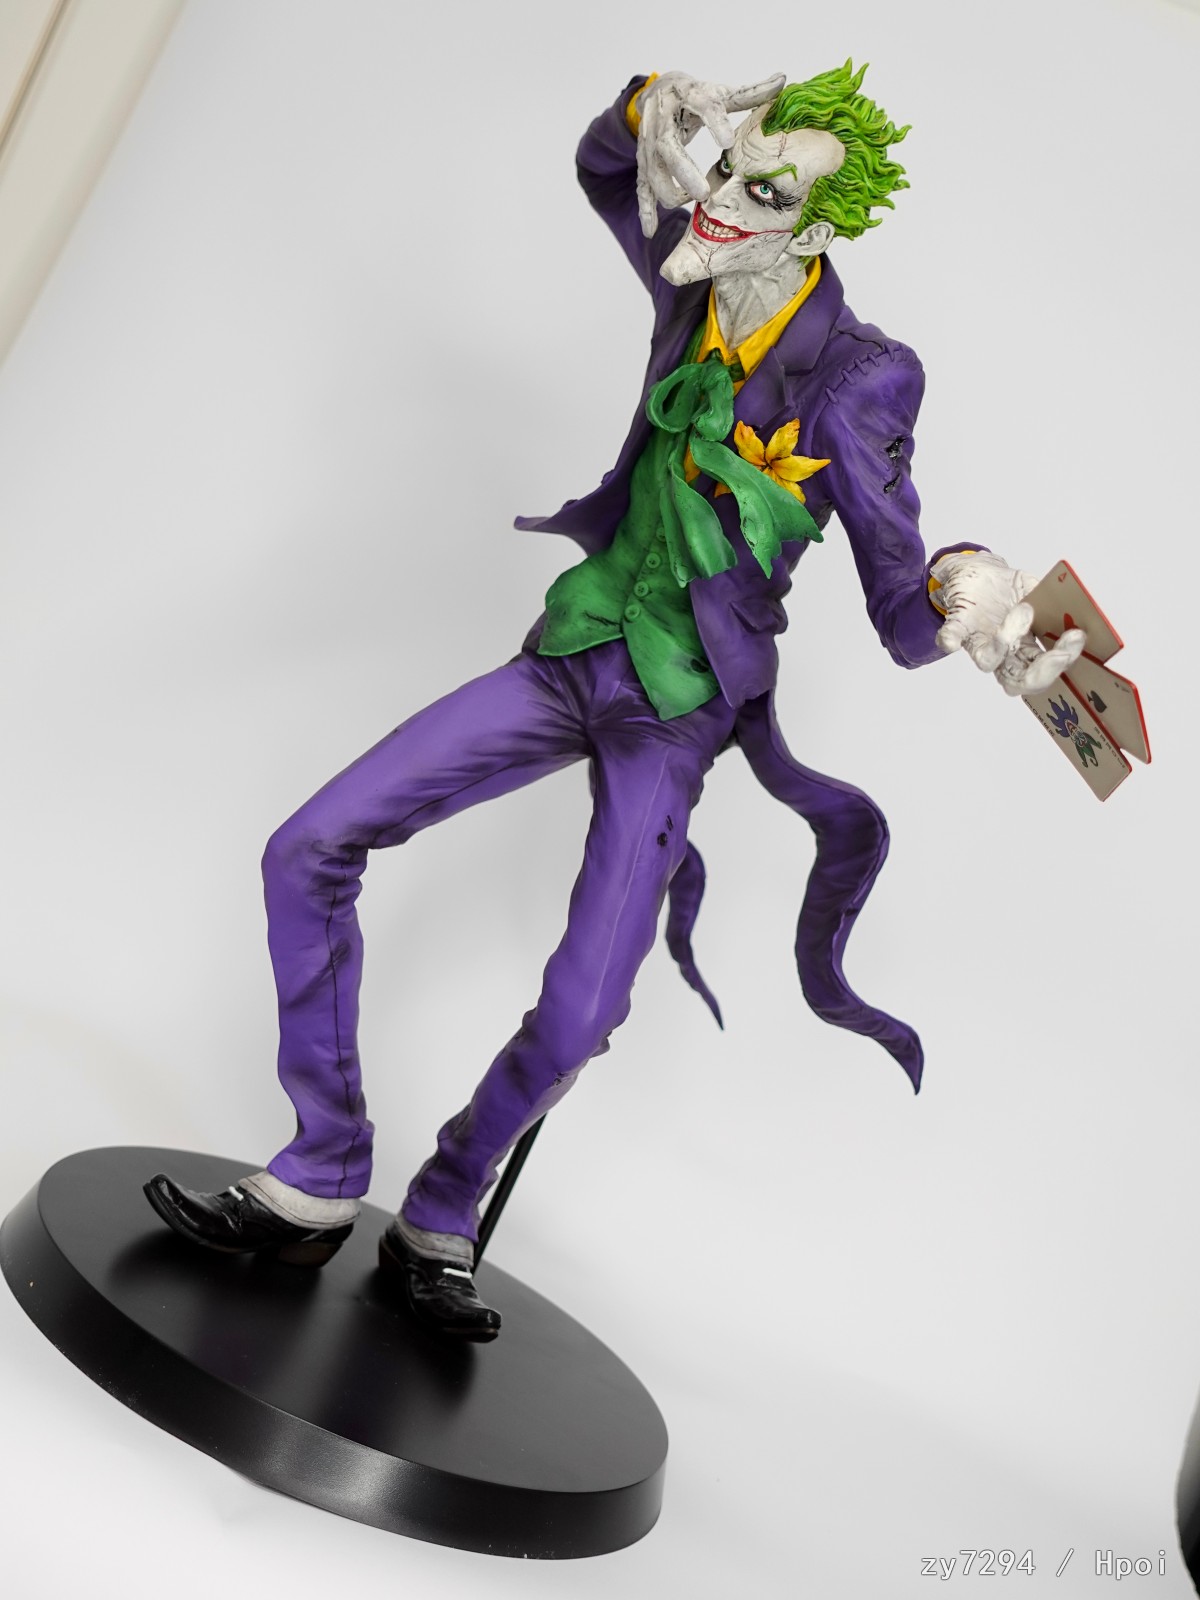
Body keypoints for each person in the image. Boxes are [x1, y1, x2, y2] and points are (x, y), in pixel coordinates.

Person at [144, 63, 1083, 1341]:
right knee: (305, 846)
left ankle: (443, 1209)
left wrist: (969, 585)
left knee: (586, 1008)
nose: (722, 196)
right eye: (729, 164)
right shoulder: (695, 281)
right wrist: (649, 104)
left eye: (765, 190)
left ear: (818, 226)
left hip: (675, 707)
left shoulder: (860, 377)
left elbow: (899, 613)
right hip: (572, 653)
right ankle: (319, 1169)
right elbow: (604, 168)